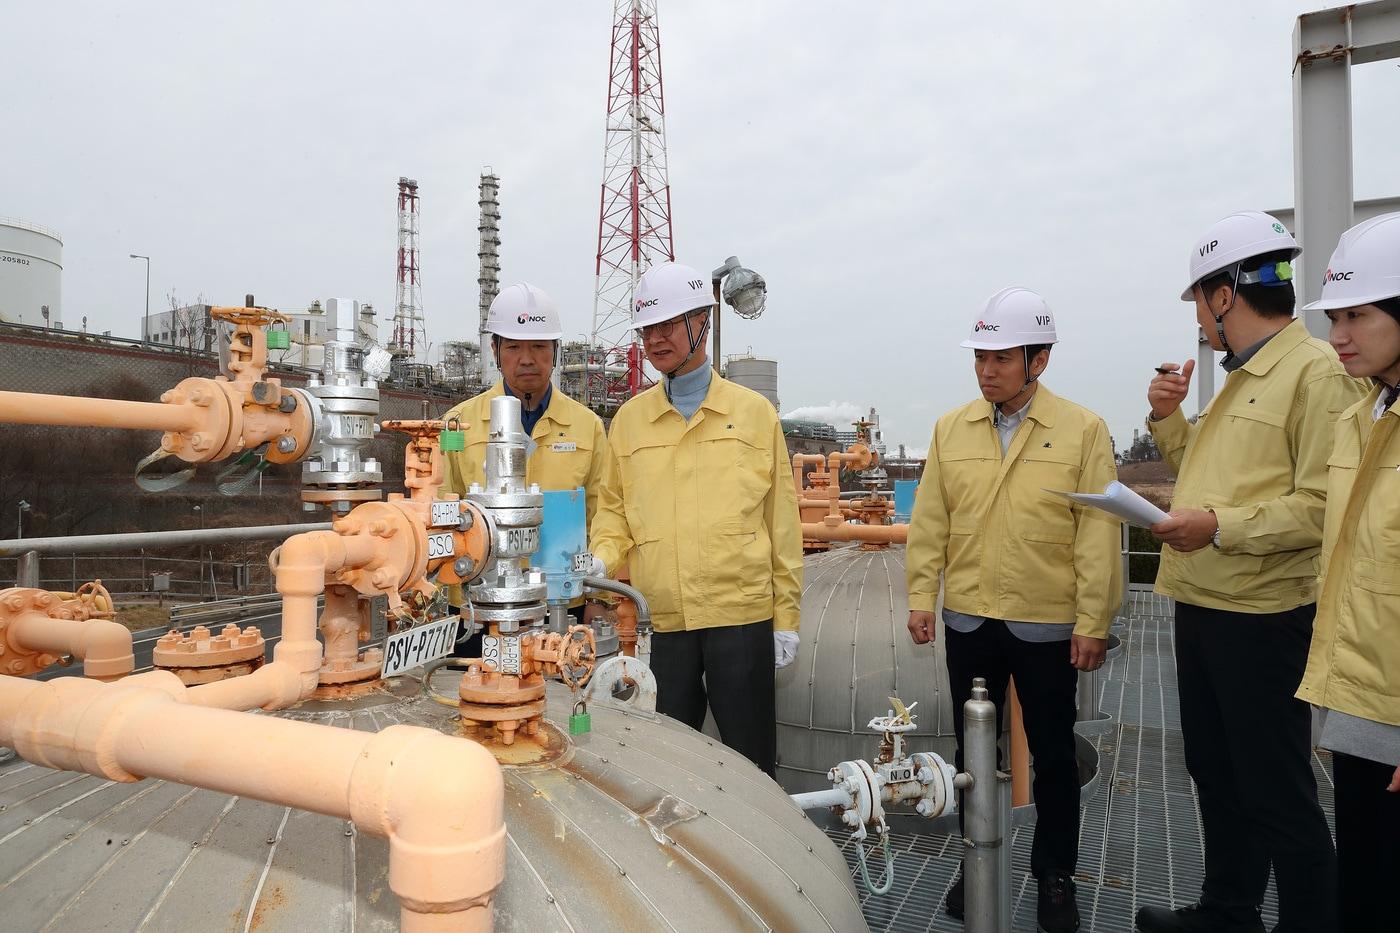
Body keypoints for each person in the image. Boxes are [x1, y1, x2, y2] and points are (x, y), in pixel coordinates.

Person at [1135, 212, 1365, 933]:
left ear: (1225, 295)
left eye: (1200, 300)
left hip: (1263, 619)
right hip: (1204, 606)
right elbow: (1213, 477)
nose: (1200, 318)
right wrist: (1167, 421)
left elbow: (1324, 506)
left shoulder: (1315, 374)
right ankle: (1228, 911)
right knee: (1216, 772)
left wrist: (1220, 528)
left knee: (1277, 793)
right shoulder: (1242, 378)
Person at [906, 287, 1121, 933]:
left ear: (1039, 359)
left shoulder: (1081, 429)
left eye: (1001, 357)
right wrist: (923, 594)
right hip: (970, 615)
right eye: (980, 357)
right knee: (973, 751)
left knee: (1053, 753)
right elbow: (930, 520)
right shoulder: (952, 428)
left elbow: (1098, 532)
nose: (986, 370)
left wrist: (1094, 620)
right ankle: (976, 864)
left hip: (1046, 619)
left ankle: (1054, 874)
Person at [588, 261, 802, 777]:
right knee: (669, 770)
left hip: (741, 620)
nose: (655, 339)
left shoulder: (753, 414)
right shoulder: (631, 421)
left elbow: (783, 524)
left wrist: (787, 619)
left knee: (751, 769)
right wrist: (599, 556)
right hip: (665, 624)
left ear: (701, 322)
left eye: (668, 324)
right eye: (648, 328)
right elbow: (614, 511)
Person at [1293, 213, 1400, 933]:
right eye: (1335, 317)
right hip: (1361, 708)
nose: (1339, 335)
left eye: (1357, 314)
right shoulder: (1363, 416)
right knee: (1361, 894)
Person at [441, 283, 611, 648]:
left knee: (558, 700)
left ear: (555, 352)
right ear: (495, 351)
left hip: (563, 605)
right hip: (478, 609)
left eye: (538, 347)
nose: (527, 358)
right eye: (515, 347)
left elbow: (604, 513)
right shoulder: (458, 424)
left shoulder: (587, 427)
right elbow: (439, 508)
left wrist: (599, 595)